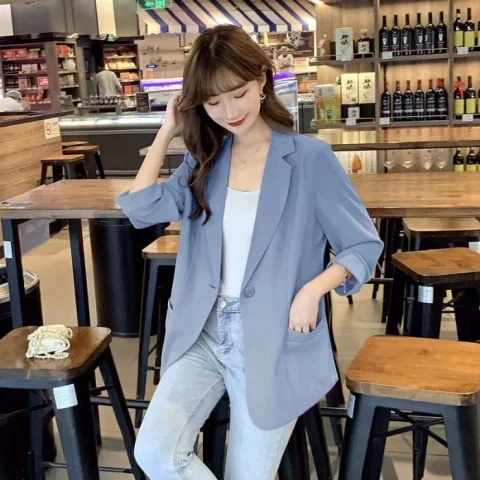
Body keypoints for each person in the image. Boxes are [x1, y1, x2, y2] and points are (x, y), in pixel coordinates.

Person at [117, 25, 383, 480]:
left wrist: (312, 291)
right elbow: (142, 209)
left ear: (261, 79)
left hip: (274, 336)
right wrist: (166, 130)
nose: (229, 112)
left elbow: (362, 244)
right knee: (156, 453)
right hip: (201, 331)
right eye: (212, 102)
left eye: (238, 93)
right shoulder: (205, 160)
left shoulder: (309, 158)